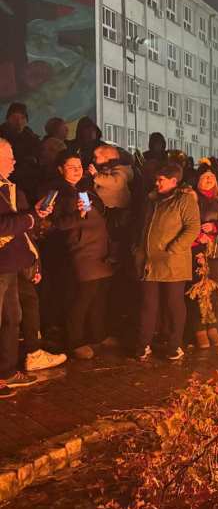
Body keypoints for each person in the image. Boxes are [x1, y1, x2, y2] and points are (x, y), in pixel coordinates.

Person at [0, 138, 54, 398]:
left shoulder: (7, 187)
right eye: (9, 156)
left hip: (11, 265)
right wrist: (30, 217)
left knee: (12, 318)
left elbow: (18, 223)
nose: (14, 161)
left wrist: (34, 215)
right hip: (2, 265)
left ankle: (7, 372)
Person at [48, 152, 115, 360]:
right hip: (82, 253)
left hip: (99, 251)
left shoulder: (84, 189)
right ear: (60, 169)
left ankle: (97, 335)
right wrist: (79, 216)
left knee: (98, 296)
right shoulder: (57, 193)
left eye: (79, 166)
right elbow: (58, 224)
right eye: (71, 167)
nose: (77, 170)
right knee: (82, 298)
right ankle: (75, 341)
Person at [134, 163, 200, 361]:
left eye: (161, 179)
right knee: (148, 304)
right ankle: (142, 344)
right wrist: (138, 249)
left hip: (172, 262)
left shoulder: (185, 200)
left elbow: (192, 227)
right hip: (149, 262)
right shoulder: (152, 200)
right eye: (156, 179)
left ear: (173, 181)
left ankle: (174, 345)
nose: (157, 183)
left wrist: (173, 249)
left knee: (173, 304)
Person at [188, 166, 218, 348]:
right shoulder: (193, 199)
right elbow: (186, 221)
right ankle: (199, 329)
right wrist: (198, 234)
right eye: (205, 176)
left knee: (217, 293)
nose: (209, 179)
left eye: (212, 176)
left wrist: (215, 228)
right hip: (199, 250)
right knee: (199, 291)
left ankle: (214, 327)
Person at [1, 103, 41, 201]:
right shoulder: (2, 137)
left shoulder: (32, 137)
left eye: (22, 118)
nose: (18, 121)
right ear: (8, 119)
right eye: (14, 117)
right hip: (9, 183)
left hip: (31, 182)